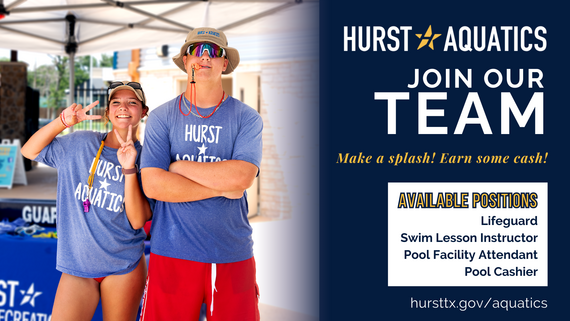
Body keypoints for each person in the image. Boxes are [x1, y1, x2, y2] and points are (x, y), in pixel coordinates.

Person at [139, 27, 263, 321]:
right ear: (185, 61)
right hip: (171, 251)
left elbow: (242, 178)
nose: (204, 57)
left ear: (224, 63)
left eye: (214, 51)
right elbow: (154, 185)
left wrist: (178, 168)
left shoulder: (247, 118)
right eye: (196, 50)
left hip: (231, 252)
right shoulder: (161, 117)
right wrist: (223, 186)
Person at [21, 81, 153, 321]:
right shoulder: (80, 143)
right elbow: (29, 151)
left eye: (132, 102)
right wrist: (63, 122)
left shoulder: (149, 159)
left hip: (124, 266)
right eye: (116, 102)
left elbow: (137, 221)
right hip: (78, 266)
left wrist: (129, 169)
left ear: (143, 112)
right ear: (107, 112)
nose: (123, 107)